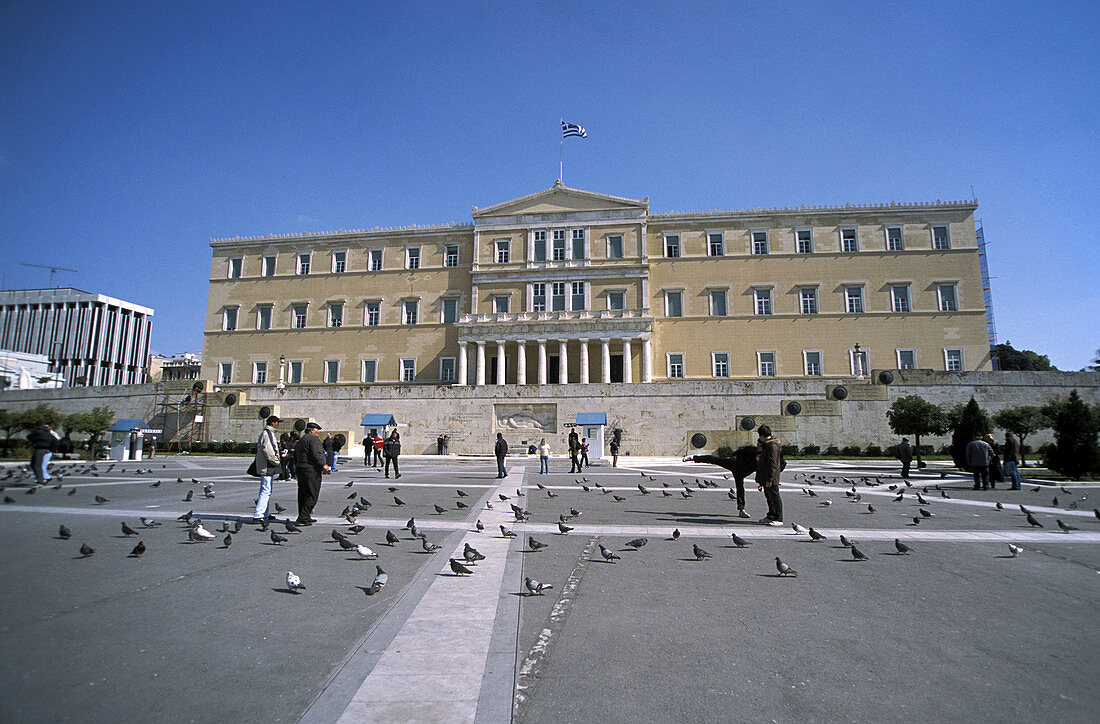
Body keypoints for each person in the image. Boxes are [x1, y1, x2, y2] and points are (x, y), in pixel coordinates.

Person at [293, 422, 329, 525]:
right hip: (311, 470)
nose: (318, 432)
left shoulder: (301, 440)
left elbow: (295, 455)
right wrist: (323, 465)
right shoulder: (313, 439)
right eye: (316, 430)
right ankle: (304, 517)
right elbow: (317, 453)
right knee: (312, 494)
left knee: (303, 494)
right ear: (312, 430)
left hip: (301, 469)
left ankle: (304, 515)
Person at [251, 415, 282, 522]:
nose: (278, 424)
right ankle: (258, 514)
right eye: (277, 422)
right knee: (266, 490)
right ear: (273, 423)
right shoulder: (267, 433)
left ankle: (265, 513)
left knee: (265, 490)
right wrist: (276, 461)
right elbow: (268, 450)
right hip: (267, 465)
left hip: (267, 464)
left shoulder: (269, 433)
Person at [756, 425, 784, 525]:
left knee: (775, 496)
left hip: (771, 477)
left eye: (760, 436)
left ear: (762, 435)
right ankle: (771, 515)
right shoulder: (767, 444)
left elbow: (773, 463)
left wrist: (770, 478)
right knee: (769, 496)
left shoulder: (772, 446)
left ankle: (779, 518)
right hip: (767, 476)